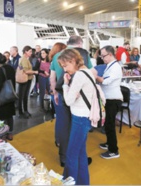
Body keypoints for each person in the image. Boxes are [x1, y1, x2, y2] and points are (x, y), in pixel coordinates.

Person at [50, 36, 94, 167]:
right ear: (79, 44)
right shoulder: (83, 54)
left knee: (64, 125)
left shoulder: (57, 55)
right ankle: (80, 157)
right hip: (78, 98)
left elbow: (52, 77)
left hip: (62, 94)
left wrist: (55, 93)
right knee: (79, 128)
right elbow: (91, 73)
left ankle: (63, 157)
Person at [59, 49, 95, 185]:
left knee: (72, 156)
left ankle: (71, 183)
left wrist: (65, 84)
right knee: (80, 154)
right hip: (85, 117)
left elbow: (68, 101)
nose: (65, 70)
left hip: (80, 118)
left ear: (73, 60)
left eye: (65, 66)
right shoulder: (88, 72)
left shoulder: (79, 75)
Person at [96, 45, 123, 159]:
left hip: (113, 99)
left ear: (111, 54)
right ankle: (109, 143)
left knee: (110, 125)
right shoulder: (109, 66)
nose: (102, 58)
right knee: (107, 124)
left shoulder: (115, 67)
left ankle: (113, 150)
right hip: (108, 98)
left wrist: (94, 75)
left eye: (104, 56)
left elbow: (106, 82)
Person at [0, 53, 16, 141]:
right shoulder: (10, 68)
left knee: (2, 116)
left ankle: (3, 134)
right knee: (10, 115)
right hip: (10, 95)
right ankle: (10, 133)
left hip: (2, 97)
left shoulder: (1, 70)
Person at [48, 42, 67, 146]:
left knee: (59, 117)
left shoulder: (54, 58)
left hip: (57, 91)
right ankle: (64, 142)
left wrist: (54, 92)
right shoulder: (68, 57)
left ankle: (58, 140)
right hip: (66, 91)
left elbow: (52, 77)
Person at [18, 46, 38, 118]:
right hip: (25, 80)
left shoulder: (25, 59)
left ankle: (24, 111)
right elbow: (26, 71)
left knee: (23, 96)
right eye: (29, 51)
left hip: (26, 79)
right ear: (25, 51)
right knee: (23, 96)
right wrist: (35, 72)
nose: (31, 53)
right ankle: (23, 111)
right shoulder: (24, 59)